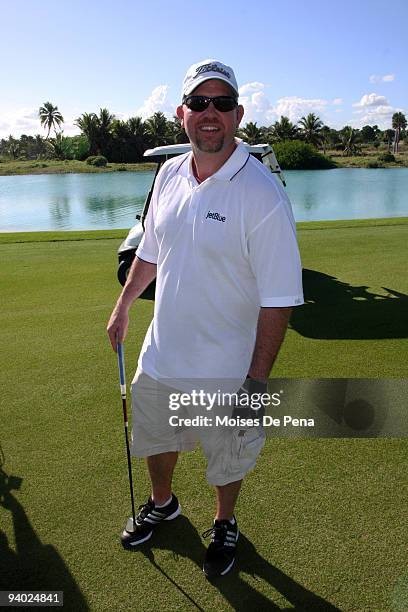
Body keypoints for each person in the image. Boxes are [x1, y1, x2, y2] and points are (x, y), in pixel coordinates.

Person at [107, 59, 304, 578]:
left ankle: (223, 521)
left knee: (227, 455)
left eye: (220, 103)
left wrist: (256, 381)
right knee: (156, 437)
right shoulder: (170, 174)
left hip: (226, 365)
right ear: (182, 114)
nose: (209, 113)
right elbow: (150, 250)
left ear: (238, 114)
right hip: (162, 351)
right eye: (198, 102)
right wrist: (124, 305)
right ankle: (164, 503)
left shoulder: (262, 194)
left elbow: (279, 298)